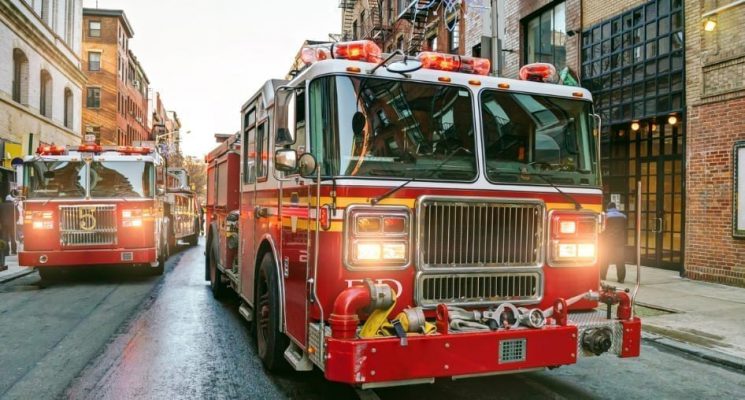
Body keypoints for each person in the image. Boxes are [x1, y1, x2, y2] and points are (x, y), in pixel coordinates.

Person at [601, 202, 627, 283]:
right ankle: (621, 279)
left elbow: (602, 229)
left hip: (608, 241)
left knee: (605, 259)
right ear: (615, 207)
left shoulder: (606, 216)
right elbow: (624, 227)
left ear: (608, 208)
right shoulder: (623, 216)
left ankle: (602, 276)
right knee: (620, 260)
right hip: (619, 242)